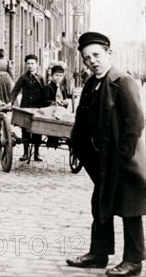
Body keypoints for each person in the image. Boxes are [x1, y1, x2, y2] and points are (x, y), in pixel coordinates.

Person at [66, 32, 145, 277]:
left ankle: (133, 261)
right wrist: (78, 146)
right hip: (102, 160)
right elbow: (82, 119)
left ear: (109, 54)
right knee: (100, 203)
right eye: (87, 59)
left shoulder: (123, 81)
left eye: (96, 55)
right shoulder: (92, 83)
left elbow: (135, 121)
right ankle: (98, 253)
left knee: (129, 207)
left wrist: (123, 156)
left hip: (122, 160)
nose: (92, 62)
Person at [7, 54, 46, 162]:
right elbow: (15, 90)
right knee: (25, 129)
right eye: (28, 63)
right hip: (26, 107)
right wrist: (11, 102)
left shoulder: (41, 78)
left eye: (32, 63)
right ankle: (25, 153)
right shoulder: (23, 78)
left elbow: (45, 92)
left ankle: (36, 153)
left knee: (38, 130)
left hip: (38, 108)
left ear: (36, 64)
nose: (30, 66)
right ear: (25, 65)